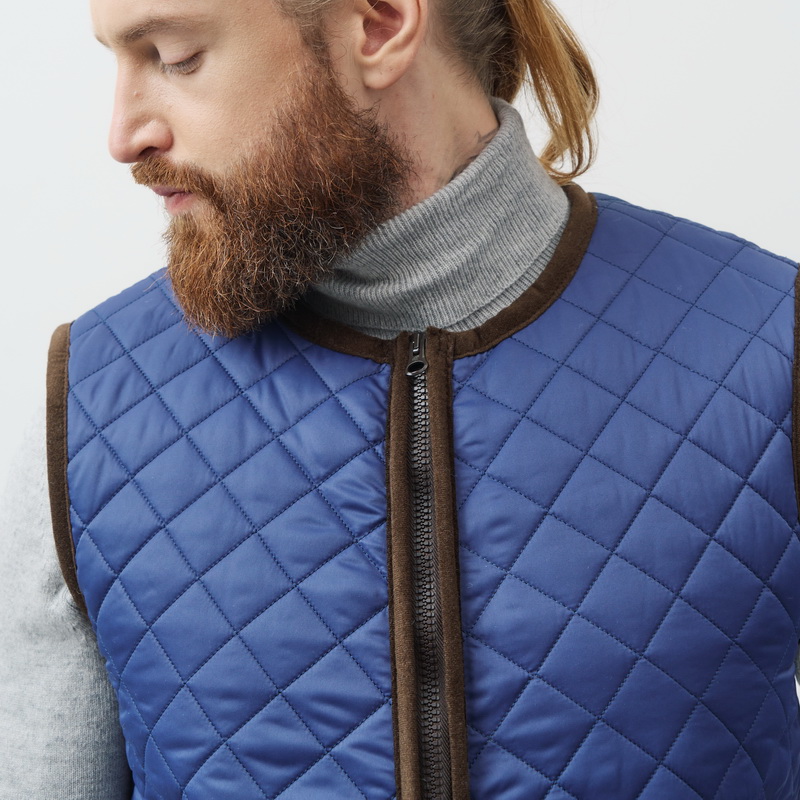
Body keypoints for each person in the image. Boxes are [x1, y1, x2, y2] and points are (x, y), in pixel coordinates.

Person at [1, 0, 798, 798]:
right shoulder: (88, 411)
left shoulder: (768, 352)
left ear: (379, 26)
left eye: (176, 57)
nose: (124, 135)